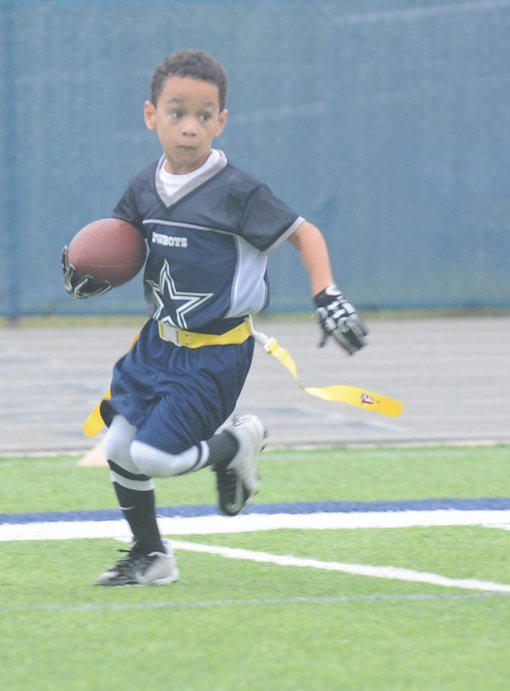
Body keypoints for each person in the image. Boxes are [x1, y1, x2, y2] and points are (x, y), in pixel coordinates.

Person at [62, 49, 367, 586]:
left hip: (215, 354)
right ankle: (152, 557)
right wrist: (86, 269)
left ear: (221, 122)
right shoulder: (143, 185)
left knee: (153, 457)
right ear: (151, 115)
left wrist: (328, 294)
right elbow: (117, 245)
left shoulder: (237, 191)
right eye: (177, 112)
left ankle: (237, 444)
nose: (190, 127)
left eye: (204, 115)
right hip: (156, 345)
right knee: (118, 448)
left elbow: (306, 234)